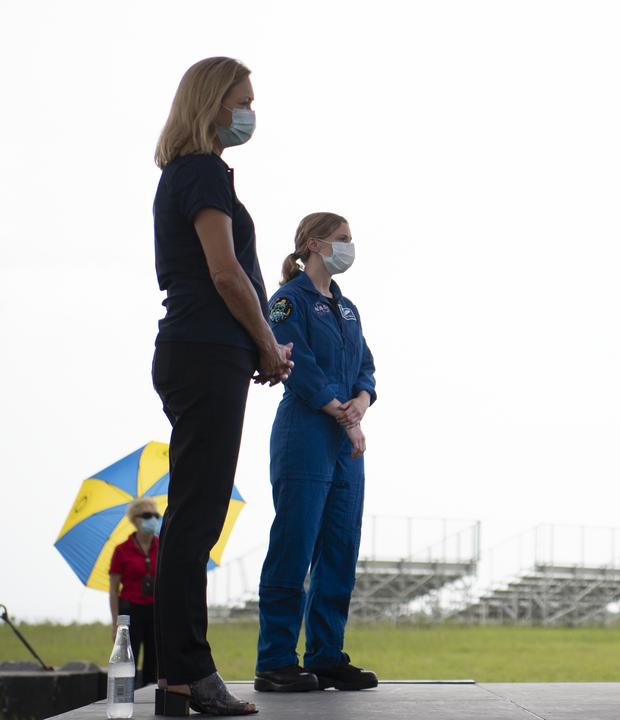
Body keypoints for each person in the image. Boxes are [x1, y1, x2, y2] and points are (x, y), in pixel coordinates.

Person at [151, 56, 293, 716]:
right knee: (196, 516)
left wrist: (258, 345)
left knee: (194, 512)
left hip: (206, 352)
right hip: (207, 351)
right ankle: (185, 672)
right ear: (213, 103)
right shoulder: (203, 172)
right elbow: (226, 273)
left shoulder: (193, 173)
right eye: (242, 100)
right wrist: (266, 343)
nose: (250, 113)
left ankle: (179, 673)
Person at [254, 213, 378, 693]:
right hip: (307, 432)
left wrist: (361, 401)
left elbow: (365, 365)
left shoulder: (348, 309)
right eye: (342, 239)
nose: (350, 246)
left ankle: (326, 655)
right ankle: (276, 660)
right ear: (313, 244)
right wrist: (342, 413)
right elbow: (294, 361)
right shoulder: (288, 301)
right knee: (295, 545)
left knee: (340, 549)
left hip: (346, 443)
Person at [108, 499, 162, 688]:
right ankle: (126, 697)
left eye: (156, 515)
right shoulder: (121, 550)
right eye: (147, 515)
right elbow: (113, 589)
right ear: (135, 519)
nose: (153, 520)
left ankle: (149, 700)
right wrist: (115, 622)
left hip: (156, 609)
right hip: (130, 610)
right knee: (127, 659)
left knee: (154, 662)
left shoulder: (162, 546)